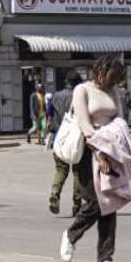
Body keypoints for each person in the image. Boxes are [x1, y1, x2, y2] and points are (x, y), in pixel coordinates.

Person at [60, 55, 131, 262]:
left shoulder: (114, 92)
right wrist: (98, 151)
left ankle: (105, 257)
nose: (113, 83)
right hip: (87, 152)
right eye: (111, 78)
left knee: (110, 203)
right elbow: (84, 123)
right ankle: (71, 235)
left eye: (116, 80)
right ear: (101, 70)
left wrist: (112, 147)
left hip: (111, 151)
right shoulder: (82, 90)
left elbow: (120, 119)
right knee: (92, 203)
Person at [48, 71, 84, 216]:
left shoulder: (55, 96)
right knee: (78, 171)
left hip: (59, 138)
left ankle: (55, 194)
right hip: (76, 139)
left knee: (61, 169)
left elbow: (49, 114)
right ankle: (77, 204)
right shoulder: (80, 96)